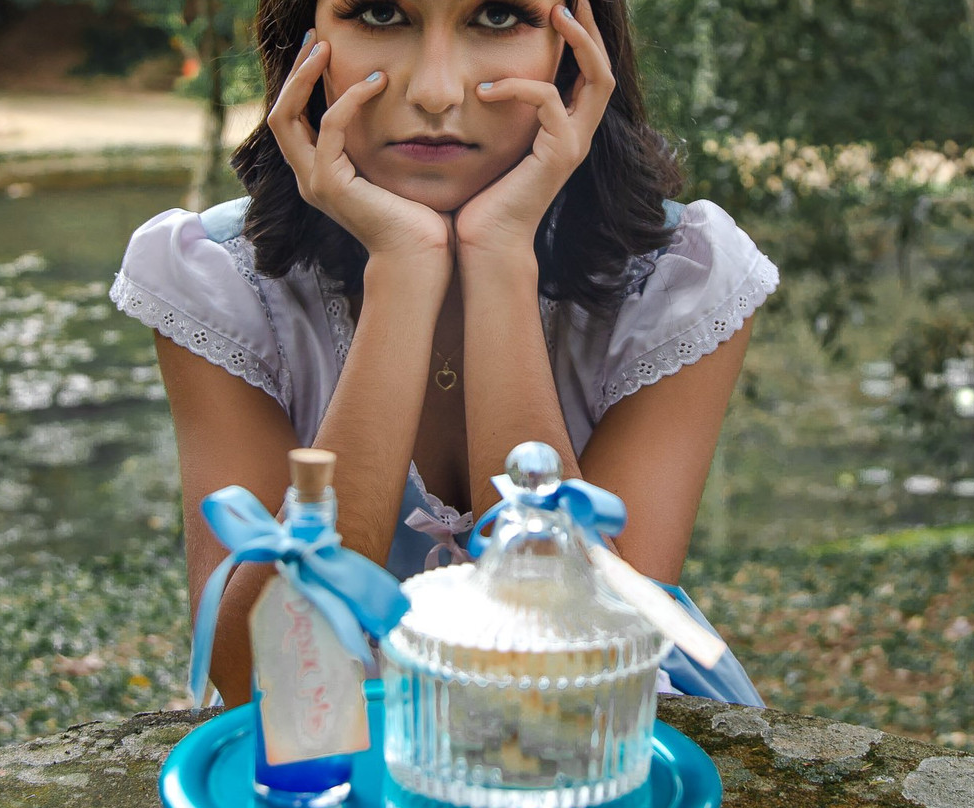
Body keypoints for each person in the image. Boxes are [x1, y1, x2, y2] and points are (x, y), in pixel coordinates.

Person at [112, 0, 778, 709]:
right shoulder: (219, 282)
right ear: (306, 37)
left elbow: (582, 658)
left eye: (497, 17)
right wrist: (402, 270)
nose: (435, 91)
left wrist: (499, 257)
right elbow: (258, 678)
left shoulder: (679, 281)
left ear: (577, 48)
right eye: (378, 13)